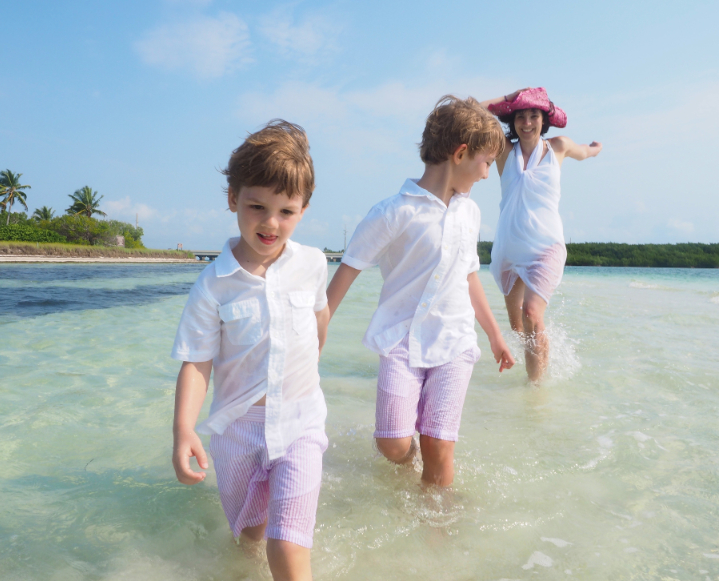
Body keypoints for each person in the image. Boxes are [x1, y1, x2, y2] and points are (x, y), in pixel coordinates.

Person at [325, 96, 515, 487]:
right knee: (392, 444)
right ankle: (413, 468)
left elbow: (470, 277)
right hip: (401, 340)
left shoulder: (470, 213)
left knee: (439, 444)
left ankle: (438, 532)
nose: (485, 174)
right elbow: (348, 272)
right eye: (485, 162)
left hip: (454, 341)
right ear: (461, 153)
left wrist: (495, 336)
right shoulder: (394, 212)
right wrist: (317, 330)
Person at [170, 120, 330, 581]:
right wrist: (184, 430)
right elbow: (197, 361)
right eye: (257, 206)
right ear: (232, 199)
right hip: (238, 432)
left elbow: (318, 322)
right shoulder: (212, 285)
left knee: (288, 541)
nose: (271, 222)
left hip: (301, 421)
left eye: (286, 210)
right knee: (250, 536)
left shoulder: (313, 264)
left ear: (303, 209)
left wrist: (303, 375)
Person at [480, 88, 602, 381]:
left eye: (533, 115)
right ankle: (537, 371)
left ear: (543, 119)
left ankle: (534, 391)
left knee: (533, 314)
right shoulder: (503, 150)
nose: (526, 122)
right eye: (520, 116)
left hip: (546, 247)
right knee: (518, 326)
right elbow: (473, 110)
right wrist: (510, 97)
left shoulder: (558, 147)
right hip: (509, 251)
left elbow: (584, 152)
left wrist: (596, 148)